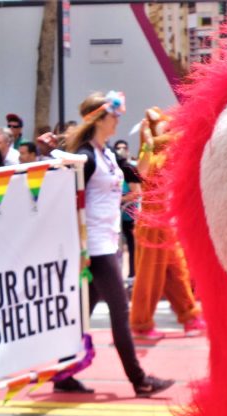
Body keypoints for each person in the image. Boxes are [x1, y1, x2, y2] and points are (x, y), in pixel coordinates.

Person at [54, 92, 175, 398]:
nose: (119, 120)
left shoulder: (106, 154)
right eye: (114, 115)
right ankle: (140, 380)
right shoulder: (86, 156)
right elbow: (67, 197)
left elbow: (140, 175)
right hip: (94, 248)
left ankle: (61, 375)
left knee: (83, 314)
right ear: (99, 118)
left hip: (109, 242)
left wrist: (149, 142)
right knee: (120, 311)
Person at [130, 107, 206, 339]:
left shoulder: (166, 152)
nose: (169, 125)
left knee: (177, 271)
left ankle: (189, 316)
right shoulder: (152, 153)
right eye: (164, 123)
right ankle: (141, 323)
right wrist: (151, 139)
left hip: (165, 222)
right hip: (151, 222)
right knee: (149, 276)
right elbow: (141, 172)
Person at [114, 139, 139, 283]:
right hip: (114, 216)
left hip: (129, 214)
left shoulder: (129, 169)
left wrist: (119, 200)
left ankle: (132, 274)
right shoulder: (111, 167)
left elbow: (136, 192)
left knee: (131, 244)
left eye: (123, 148)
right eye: (118, 148)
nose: (120, 150)